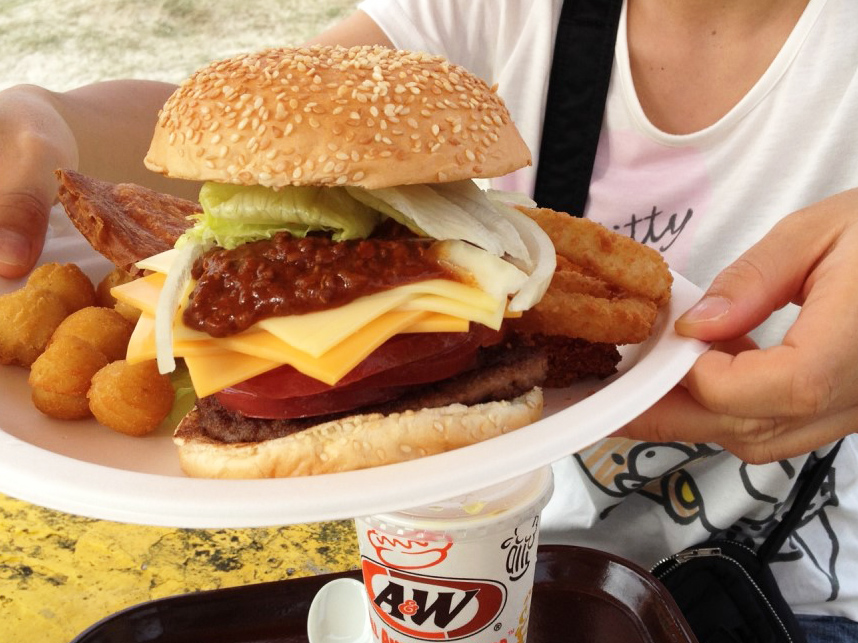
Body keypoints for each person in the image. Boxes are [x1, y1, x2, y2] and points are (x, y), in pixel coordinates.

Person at [1, 0, 856, 639]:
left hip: (800, 598)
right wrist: (54, 118)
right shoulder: (501, 10)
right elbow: (283, 112)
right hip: (464, 544)